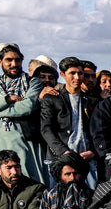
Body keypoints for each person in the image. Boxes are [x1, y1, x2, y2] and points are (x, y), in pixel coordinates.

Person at [0, 43, 48, 183]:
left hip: (24, 140)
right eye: (9, 60)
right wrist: (7, 99)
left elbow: (27, 106)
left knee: (29, 180)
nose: (14, 64)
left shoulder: (32, 82)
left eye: (17, 60)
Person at [40, 56, 99, 187]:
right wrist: (64, 153)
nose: (77, 77)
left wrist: (93, 151)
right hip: (59, 161)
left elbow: (99, 131)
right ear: (62, 74)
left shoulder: (92, 101)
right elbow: (46, 129)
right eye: (72, 73)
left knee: (89, 201)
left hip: (86, 160)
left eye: (80, 73)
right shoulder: (52, 99)